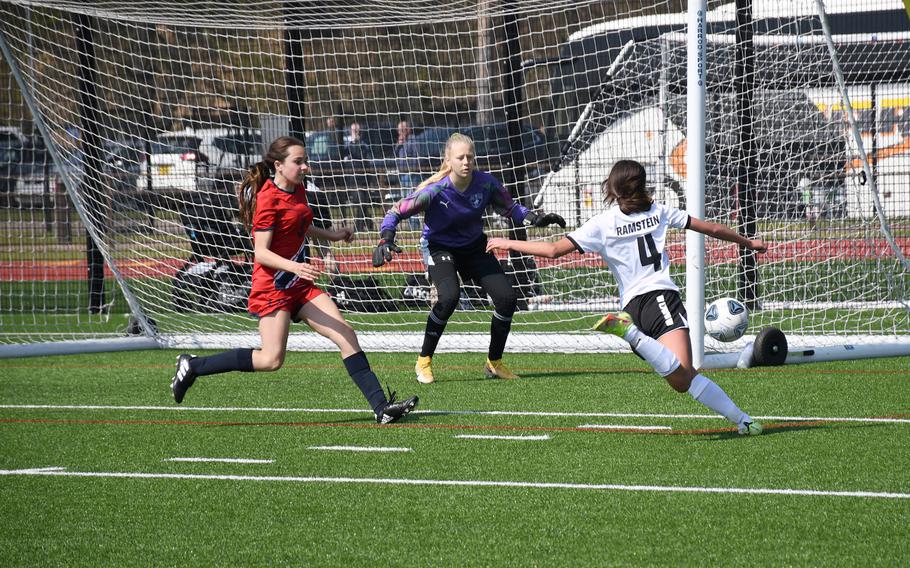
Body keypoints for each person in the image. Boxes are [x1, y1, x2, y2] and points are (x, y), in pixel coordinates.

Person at [486, 159, 766, 435]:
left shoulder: (602, 223)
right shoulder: (658, 211)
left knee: (685, 378)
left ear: (612, 188)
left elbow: (552, 250)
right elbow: (712, 229)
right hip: (660, 298)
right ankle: (630, 333)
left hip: (633, 306)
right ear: (643, 185)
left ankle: (743, 421)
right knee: (683, 378)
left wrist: (507, 242)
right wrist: (748, 242)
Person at [170, 136, 418, 424]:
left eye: (305, 161)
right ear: (278, 165)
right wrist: (296, 267)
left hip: (298, 286)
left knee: (346, 334)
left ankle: (381, 408)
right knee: (271, 360)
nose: (305, 167)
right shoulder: (267, 199)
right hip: (273, 288)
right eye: (298, 162)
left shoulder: (297, 188)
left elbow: (301, 224)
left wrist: (332, 234)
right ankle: (194, 365)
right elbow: (261, 253)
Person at [373, 132, 565, 384]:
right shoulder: (435, 190)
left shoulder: (485, 184)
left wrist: (535, 218)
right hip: (440, 248)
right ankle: (424, 360)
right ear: (448, 160)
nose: (466, 162)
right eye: (460, 157)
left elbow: (510, 208)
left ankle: (494, 363)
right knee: (449, 297)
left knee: (507, 299)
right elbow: (396, 211)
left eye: (470, 157)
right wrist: (385, 239)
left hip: (474, 247)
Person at [342, 121, 375, 231]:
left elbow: (367, 162)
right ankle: (362, 226)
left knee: (362, 203)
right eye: (354, 130)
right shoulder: (347, 145)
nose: (356, 132)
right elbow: (343, 155)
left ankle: (364, 226)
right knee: (360, 202)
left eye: (357, 130)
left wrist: (371, 181)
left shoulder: (364, 146)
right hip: (352, 180)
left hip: (363, 179)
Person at [393, 120, 421, 230]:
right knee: (405, 200)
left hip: (411, 174)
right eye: (399, 130)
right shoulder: (401, 141)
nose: (400, 132)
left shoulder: (413, 140)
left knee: (411, 200)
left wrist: (411, 170)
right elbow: (395, 155)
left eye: (403, 130)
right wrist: (399, 144)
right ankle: (411, 225)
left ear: (408, 129)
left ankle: (415, 226)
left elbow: (416, 157)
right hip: (402, 174)